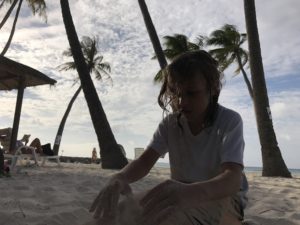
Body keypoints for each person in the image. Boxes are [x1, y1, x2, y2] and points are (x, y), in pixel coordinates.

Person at [89, 50, 248, 225]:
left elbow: (232, 178)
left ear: (213, 88)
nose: (181, 102)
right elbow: (144, 162)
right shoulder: (170, 124)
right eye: (177, 94)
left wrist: (191, 193)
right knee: (113, 215)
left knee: (167, 219)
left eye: (191, 93)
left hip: (221, 196)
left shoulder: (229, 121)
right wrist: (120, 177)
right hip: (178, 193)